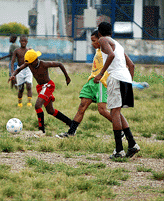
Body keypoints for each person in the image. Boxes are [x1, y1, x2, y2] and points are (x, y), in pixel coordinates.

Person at [94, 22, 140, 159]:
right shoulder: (118, 44)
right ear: (111, 32)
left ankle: (119, 150)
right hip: (125, 78)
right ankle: (132, 144)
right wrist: (129, 82)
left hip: (116, 77)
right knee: (117, 112)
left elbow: (111, 55)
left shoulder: (103, 40)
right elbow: (131, 65)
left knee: (114, 112)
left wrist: (101, 73)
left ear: (99, 32)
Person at [57, 30, 114, 138]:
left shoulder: (106, 51)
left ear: (100, 40)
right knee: (82, 106)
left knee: (102, 110)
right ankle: (71, 133)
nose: (92, 43)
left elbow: (114, 57)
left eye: (94, 40)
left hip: (101, 83)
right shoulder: (97, 51)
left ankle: (120, 129)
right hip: (91, 81)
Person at [9, 49, 73, 137]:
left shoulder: (44, 64)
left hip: (48, 86)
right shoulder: (29, 63)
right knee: (50, 110)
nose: (29, 65)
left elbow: (59, 64)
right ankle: (71, 123)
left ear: (35, 60)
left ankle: (41, 131)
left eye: (30, 63)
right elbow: (19, 69)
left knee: (37, 105)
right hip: (40, 87)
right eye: (28, 63)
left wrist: (67, 77)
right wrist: (13, 75)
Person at [10, 35, 33, 107]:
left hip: (28, 69)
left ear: (27, 42)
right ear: (19, 42)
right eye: (22, 41)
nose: (23, 42)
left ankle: (29, 103)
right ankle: (20, 103)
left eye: (25, 41)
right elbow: (12, 62)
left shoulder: (29, 51)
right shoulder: (17, 51)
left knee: (29, 85)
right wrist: (13, 73)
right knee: (21, 88)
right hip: (20, 70)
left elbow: (34, 60)